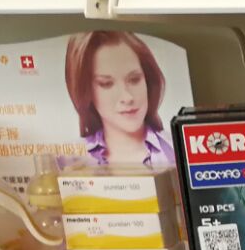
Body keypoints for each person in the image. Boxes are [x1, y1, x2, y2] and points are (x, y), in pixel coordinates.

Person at [65, 31, 173, 168]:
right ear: (86, 91)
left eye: (134, 79)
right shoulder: (67, 161)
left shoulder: (178, 149)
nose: (127, 98)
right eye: (106, 84)